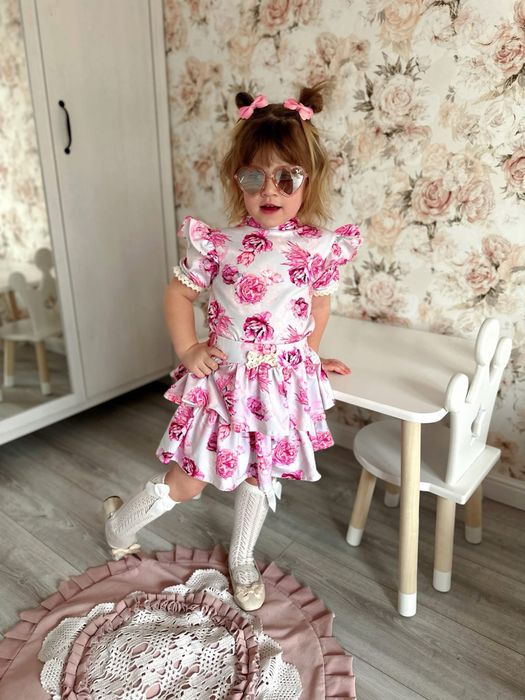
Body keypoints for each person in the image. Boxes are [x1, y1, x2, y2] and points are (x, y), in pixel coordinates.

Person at [104, 84, 362, 612]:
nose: (270, 189)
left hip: (279, 387)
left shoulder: (317, 248)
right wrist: (188, 349)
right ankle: (118, 525)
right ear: (236, 179)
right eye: (253, 176)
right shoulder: (219, 244)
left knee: (260, 473)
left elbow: (317, 305)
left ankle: (242, 557)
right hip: (223, 384)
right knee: (188, 481)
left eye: (287, 177)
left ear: (309, 180)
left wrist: (309, 355)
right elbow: (178, 293)